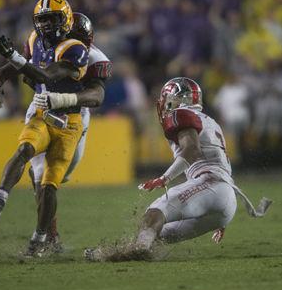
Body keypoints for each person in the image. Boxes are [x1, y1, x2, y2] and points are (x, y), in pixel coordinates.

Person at [85, 78, 267, 262]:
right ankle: (110, 256)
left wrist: (165, 178)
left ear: (175, 99)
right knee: (155, 234)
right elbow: (219, 164)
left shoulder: (181, 114)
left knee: (153, 214)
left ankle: (130, 252)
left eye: (166, 98)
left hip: (211, 185)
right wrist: (221, 207)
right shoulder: (211, 122)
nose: (163, 104)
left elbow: (192, 150)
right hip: (226, 201)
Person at [0, 0, 89, 257]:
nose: (46, 26)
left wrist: (14, 57)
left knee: (52, 183)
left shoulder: (76, 48)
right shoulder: (34, 40)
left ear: (66, 19)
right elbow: (19, 69)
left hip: (71, 119)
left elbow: (45, 76)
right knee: (27, 152)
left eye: (52, 19)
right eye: (42, 20)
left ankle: (42, 237)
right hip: (41, 110)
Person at [27, 13, 112, 249]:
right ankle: (48, 236)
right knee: (42, 176)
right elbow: (29, 72)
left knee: (59, 175)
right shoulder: (41, 43)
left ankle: (47, 232)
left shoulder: (94, 57)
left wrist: (65, 98)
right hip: (43, 107)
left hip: (75, 118)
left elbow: (97, 95)